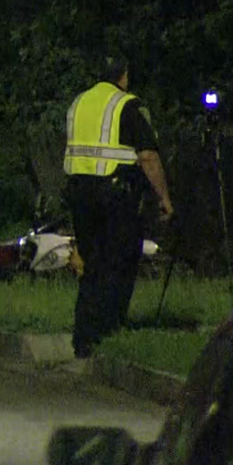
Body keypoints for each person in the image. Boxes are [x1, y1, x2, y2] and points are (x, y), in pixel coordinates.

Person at [64, 58, 174, 358]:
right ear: (124, 77)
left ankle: (83, 337)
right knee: (119, 262)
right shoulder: (128, 105)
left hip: (79, 194)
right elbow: (148, 156)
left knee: (92, 265)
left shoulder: (79, 103)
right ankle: (109, 333)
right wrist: (164, 198)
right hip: (115, 195)